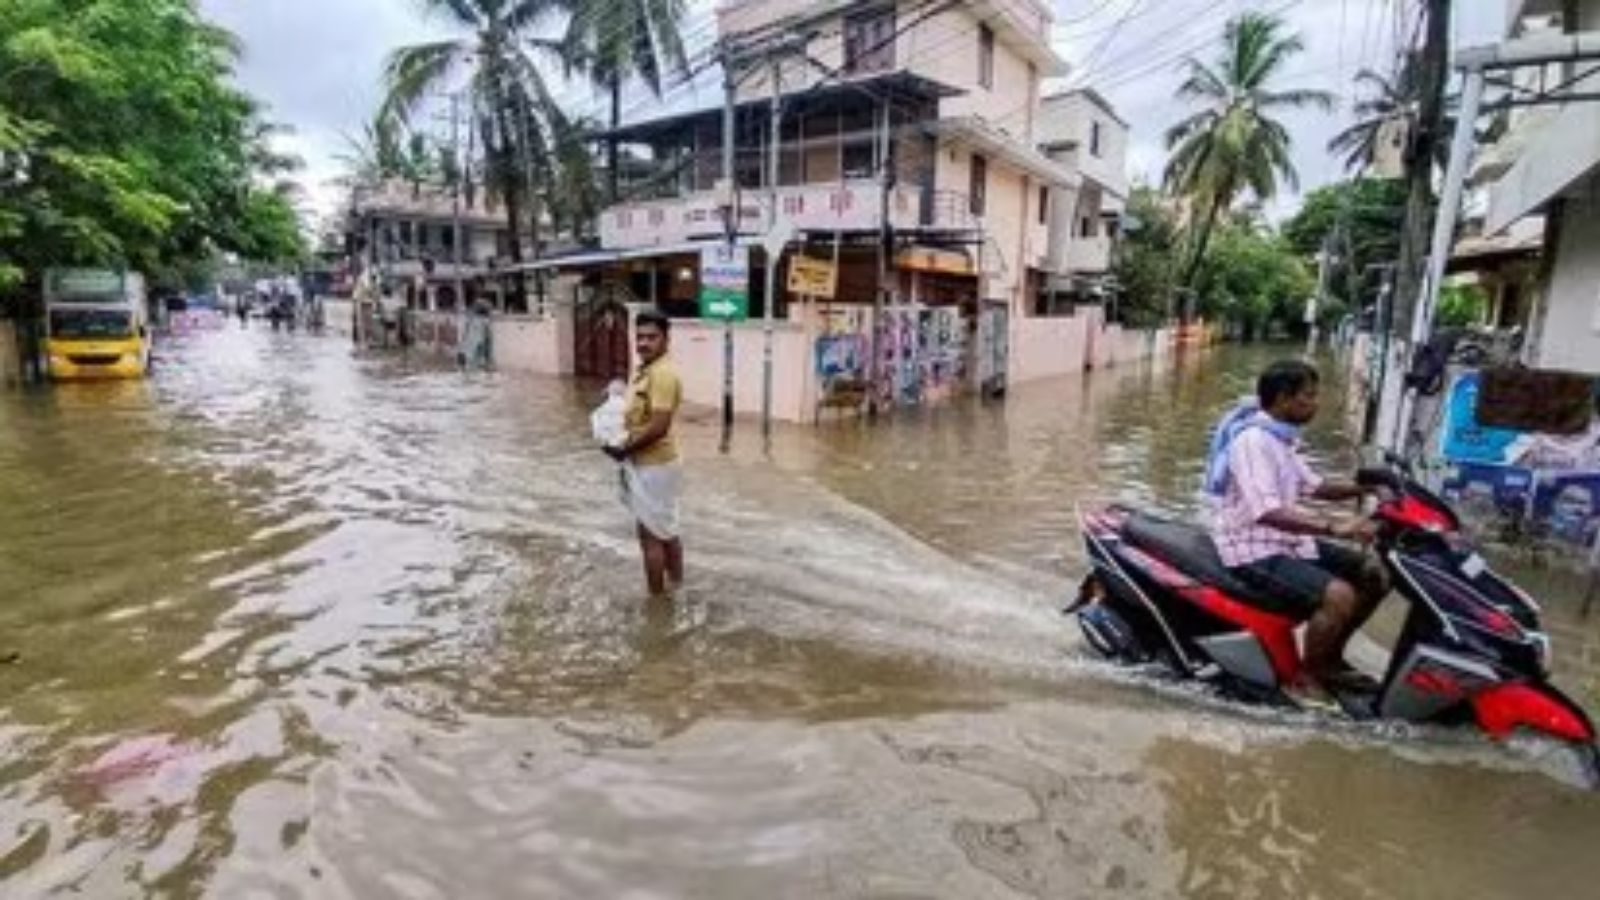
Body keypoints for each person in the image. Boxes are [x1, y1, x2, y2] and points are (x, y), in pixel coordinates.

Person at [1206, 359, 1389, 708]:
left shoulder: (1281, 439)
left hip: (1285, 541)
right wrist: (1336, 526)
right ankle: (1305, 679)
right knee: (1340, 597)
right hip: (1250, 546)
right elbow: (1267, 511)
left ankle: (1330, 660)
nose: (1315, 402)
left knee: (1375, 574)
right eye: (1308, 395)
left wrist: (1368, 489)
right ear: (1282, 399)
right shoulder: (1254, 442)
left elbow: (1314, 486)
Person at [604, 310, 684, 597]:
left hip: (655, 465)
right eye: (640, 337)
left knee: (651, 537)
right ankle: (677, 588)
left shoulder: (663, 374)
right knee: (666, 530)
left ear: (666, 339)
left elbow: (659, 426)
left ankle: (657, 603)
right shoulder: (645, 371)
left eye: (652, 337)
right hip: (654, 464)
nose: (644, 343)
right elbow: (637, 415)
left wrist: (623, 450)